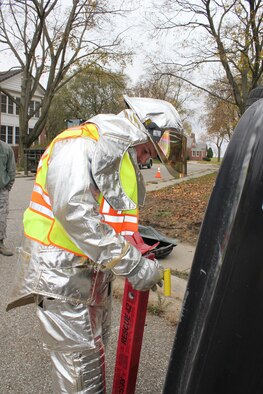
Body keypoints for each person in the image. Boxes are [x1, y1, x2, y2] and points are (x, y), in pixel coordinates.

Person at [7, 95, 186, 393]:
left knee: (93, 365)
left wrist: (137, 246)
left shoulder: (112, 153)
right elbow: (75, 212)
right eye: (146, 151)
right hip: (61, 279)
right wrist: (133, 264)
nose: (145, 159)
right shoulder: (80, 143)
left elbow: (110, 216)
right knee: (84, 381)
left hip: (90, 277)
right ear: (137, 131)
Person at [0, 140, 16, 256]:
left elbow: (11, 171)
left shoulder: (6, 149)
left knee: (1, 217)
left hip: (1, 190)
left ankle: (0, 243)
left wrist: (6, 189)